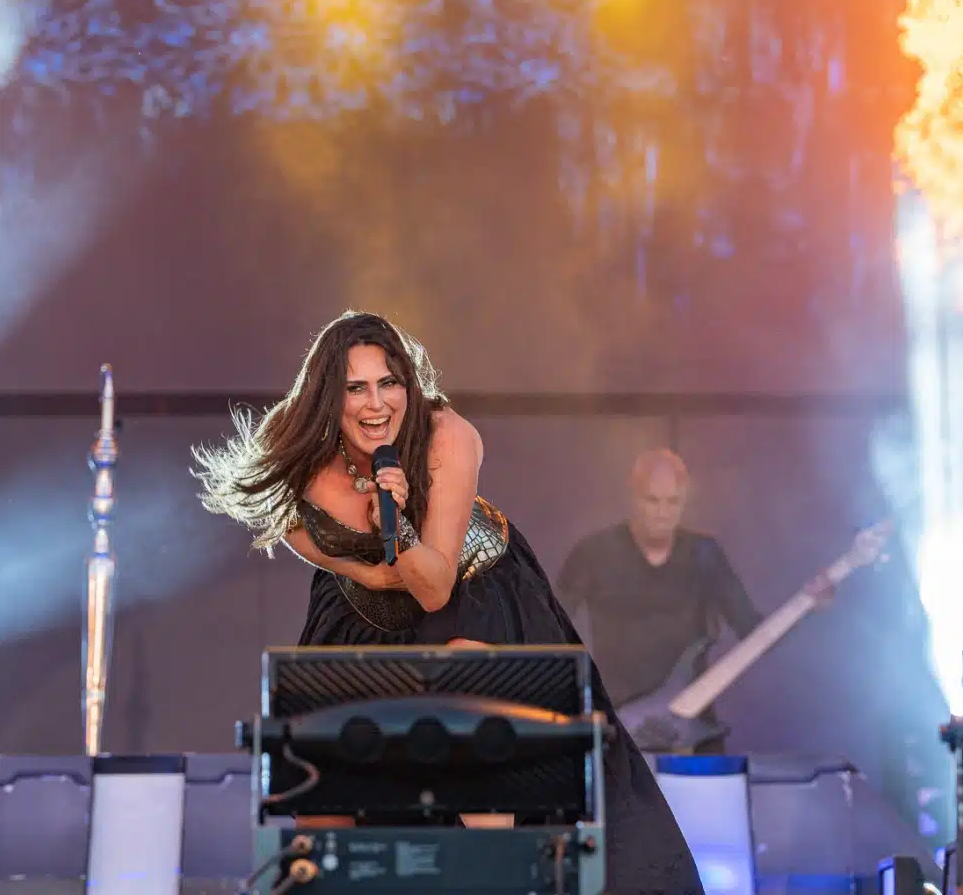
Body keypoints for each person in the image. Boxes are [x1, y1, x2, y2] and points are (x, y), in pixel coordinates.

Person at [195, 311, 703, 895]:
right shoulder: (295, 442)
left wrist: (396, 522)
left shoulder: (446, 435)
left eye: (389, 383)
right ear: (328, 398)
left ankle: (495, 875)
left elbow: (434, 587)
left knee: (469, 728)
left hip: (468, 589)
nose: (376, 404)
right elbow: (294, 526)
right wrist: (365, 570)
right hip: (361, 607)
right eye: (356, 388)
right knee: (323, 771)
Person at [557, 449, 763, 754]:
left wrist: (808, 605)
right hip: (621, 722)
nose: (663, 512)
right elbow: (549, 626)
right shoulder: (594, 553)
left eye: (673, 502)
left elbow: (752, 628)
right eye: (652, 500)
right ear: (633, 497)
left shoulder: (704, 553)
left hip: (690, 727)